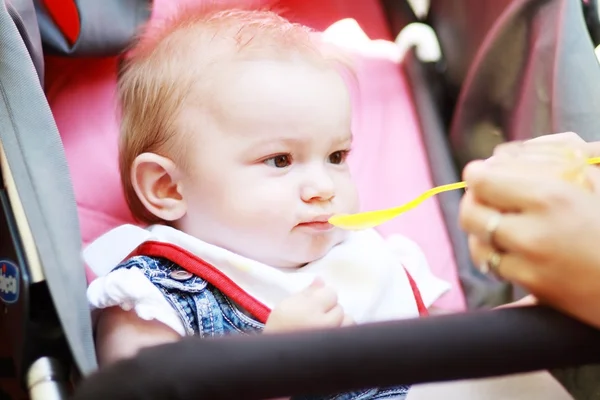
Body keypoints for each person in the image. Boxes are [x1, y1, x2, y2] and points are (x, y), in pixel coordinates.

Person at [82, 5, 449, 400]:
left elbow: (466, 354)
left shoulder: (369, 257)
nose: (324, 187)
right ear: (169, 188)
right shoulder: (150, 301)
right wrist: (268, 368)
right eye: (279, 160)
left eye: (337, 157)